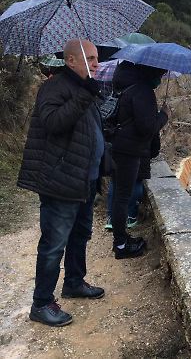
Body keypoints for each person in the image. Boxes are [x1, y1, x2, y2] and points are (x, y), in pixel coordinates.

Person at [17, 39, 105, 327]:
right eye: (90, 58)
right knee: (54, 244)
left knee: (80, 235)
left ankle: (74, 283)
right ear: (70, 61)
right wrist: (85, 97)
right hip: (60, 181)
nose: (96, 64)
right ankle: (41, 303)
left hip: (83, 181)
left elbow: (89, 134)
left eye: (96, 58)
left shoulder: (83, 88)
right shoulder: (54, 87)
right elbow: (54, 123)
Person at [110, 61, 169, 259]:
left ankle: (122, 238)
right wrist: (163, 116)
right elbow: (146, 128)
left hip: (120, 147)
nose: (160, 80)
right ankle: (120, 245)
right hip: (130, 151)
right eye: (160, 74)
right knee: (122, 198)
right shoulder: (142, 91)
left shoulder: (129, 86)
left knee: (120, 195)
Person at [104, 134, 161, 230]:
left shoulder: (120, 119)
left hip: (118, 151)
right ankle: (129, 216)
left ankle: (111, 217)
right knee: (136, 182)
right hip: (139, 154)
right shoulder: (148, 119)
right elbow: (155, 143)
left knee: (115, 182)